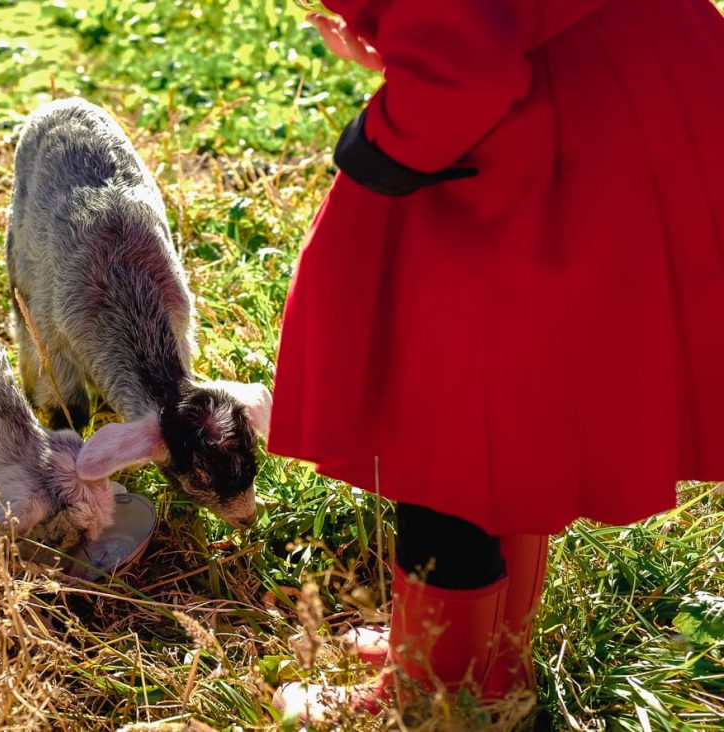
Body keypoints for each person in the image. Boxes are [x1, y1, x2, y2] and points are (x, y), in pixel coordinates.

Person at [268, 0, 724, 720]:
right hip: (624, 89)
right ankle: (491, 658)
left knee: (444, 421)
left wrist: (384, 141)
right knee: (516, 403)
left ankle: (436, 691)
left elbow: (466, 74)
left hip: (551, 135)